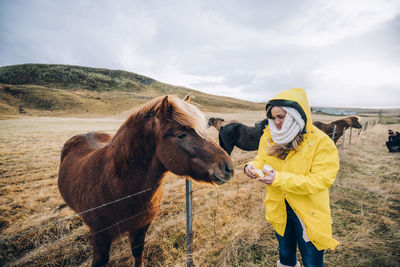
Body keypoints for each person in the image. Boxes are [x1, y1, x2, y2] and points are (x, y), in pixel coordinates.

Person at [244, 88, 340, 267]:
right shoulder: (270, 137)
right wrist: (250, 166)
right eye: (273, 118)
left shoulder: (321, 142)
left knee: (312, 260)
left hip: (307, 212)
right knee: (286, 254)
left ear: (296, 114)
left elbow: (321, 180)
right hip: (279, 207)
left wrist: (278, 179)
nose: (277, 122)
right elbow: (261, 158)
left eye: (281, 116)